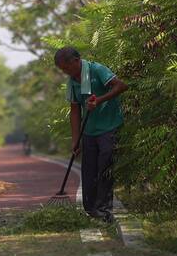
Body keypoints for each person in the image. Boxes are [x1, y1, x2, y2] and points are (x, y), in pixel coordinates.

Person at [54, 47, 128, 223]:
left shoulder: (97, 70)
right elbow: (74, 111)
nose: (66, 72)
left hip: (109, 126)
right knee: (89, 169)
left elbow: (121, 85)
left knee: (105, 165)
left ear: (77, 60)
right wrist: (75, 140)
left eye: (67, 68)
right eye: (62, 70)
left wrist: (100, 99)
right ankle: (91, 209)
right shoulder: (72, 82)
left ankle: (104, 209)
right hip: (89, 131)